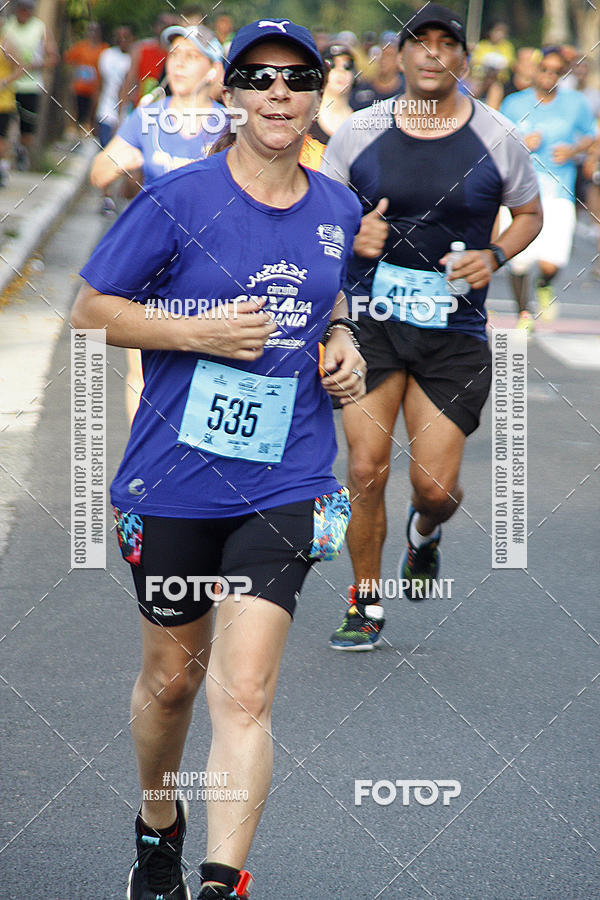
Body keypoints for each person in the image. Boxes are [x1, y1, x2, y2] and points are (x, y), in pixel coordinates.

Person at [72, 17, 365, 899]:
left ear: (317, 94)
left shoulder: (338, 205)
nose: (279, 93)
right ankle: (160, 824)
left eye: (297, 77)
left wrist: (343, 334)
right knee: (172, 685)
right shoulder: (177, 200)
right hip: (172, 480)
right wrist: (192, 330)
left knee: (244, 694)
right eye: (259, 78)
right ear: (231, 97)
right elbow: (91, 310)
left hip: (289, 474)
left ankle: (220, 884)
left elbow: (331, 288)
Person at [321, 3, 542, 650]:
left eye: (448, 44)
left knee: (435, 487)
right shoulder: (358, 133)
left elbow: (528, 214)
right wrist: (350, 238)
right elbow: (320, 222)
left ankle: (426, 532)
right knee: (364, 470)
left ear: (462, 62)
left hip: (455, 333)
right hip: (370, 323)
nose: (433, 53)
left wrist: (495, 254)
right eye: (421, 42)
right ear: (400, 56)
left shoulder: (497, 135)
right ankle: (364, 601)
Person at [91, 23, 228, 425]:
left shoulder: (229, 125)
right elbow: (99, 174)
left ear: (212, 71)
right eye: (176, 55)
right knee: (142, 371)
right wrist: (121, 162)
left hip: (210, 265)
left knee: (203, 367)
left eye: (192, 57)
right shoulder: (147, 118)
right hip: (153, 263)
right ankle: (145, 467)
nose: (180, 64)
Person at [500, 47, 596, 331]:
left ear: (562, 74)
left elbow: (591, 135)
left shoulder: (575, 103)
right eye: (545, 70)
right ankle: (524, 314)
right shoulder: (514, 103)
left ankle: (544, 284)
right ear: (535, 70)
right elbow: (497, 140)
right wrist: (520, 142)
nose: (549, 76)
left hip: (559, 189)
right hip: (520, 189)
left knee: (552, 261)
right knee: (517, 259)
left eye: (556, 71)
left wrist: (573, 150)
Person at [1, 0, 57, 168]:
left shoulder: (40, 28)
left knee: (27, 132)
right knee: (6, 127)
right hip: (9, 87)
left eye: (28, 9)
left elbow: (53, 57)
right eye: (22, 9)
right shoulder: (8, 26)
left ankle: (21, 150)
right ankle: (5, 162)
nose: (24, 12)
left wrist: (34, 65)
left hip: (30, 86)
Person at [300, 42, 354, 170]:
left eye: (347, 66)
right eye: (332, 64)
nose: (340, 71)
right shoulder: (303, 121)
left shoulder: (363, 123)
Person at [63, 22, 108, 134]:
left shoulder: (104, 49)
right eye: (90, 30)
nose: (92, 33)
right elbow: (68, 59)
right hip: (80, 87)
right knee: (77, 110)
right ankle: (75, 130)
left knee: (92, 112)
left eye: (95, 31)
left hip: (96, 89)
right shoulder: (81, 47)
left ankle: (88, 130)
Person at [350, 31, 404, 111]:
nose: (383, 59)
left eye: (389, 55)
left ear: (399, 60)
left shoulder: (407, 91)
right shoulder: (361, 90)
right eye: (381, 54)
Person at [0, 27, 24, 186]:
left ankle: (2, 167)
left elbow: (21, 68)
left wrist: (5, 82)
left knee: (1, 138)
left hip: (4, 101)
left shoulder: (6, 44)